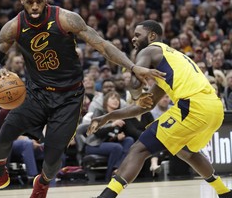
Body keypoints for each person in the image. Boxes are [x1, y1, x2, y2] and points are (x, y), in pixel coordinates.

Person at [0, 0, 164, 198]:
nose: (34, 6)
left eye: (39, 1)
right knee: (5, 134)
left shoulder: (65, 19)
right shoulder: (13, 26)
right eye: (30, 1)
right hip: (36, 93)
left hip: (68, 97)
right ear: (22, 0)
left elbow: (103, 45)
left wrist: (133, 66)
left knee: (53, 157)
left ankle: (41, 185)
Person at [88, 20, 232, 198]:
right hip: (214, 108)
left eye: (137, 35)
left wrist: (135, 85)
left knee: (139, 149)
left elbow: (134, 83)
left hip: (193, 105)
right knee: (186, 151)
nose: (133, 39)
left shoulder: (150, 50)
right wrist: (107, 117)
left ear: (152, 36)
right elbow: (141, 108)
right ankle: (224, 193)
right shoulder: (171, 60)